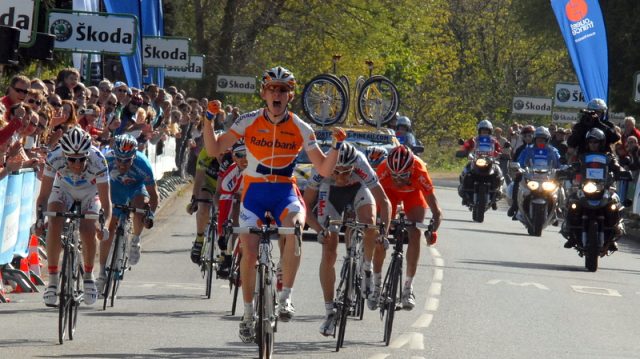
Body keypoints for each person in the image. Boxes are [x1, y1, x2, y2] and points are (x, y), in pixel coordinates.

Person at [202, 66, 345, 343]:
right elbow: (214, 149)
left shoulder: (301, 127)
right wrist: (208, 120)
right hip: (254, 191)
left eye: (283, 89)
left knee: (295, 227)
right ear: (264, 93)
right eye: (272, 89)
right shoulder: (248, 120)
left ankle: (285, 296)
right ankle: (246, 313)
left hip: (285, 191)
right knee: (249, 249)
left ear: (290, 95)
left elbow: (324, 170)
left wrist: (336, 148)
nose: (277, 94)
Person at [302, 142, 391, 336]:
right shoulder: (321, 167)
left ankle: (366, 268)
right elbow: (305, 204)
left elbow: (383, 201)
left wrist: (383, 232)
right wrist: (318, 230)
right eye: (337, 172)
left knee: (370, 223)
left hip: (358, 190)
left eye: (346, 172)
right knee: (329, 248)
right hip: (330, 194)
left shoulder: (361, 164)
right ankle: (329, 312)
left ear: (354, 166)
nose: (341, 177)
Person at [36, 127, 112, 306]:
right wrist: (39, 219)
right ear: (64, 155)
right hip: (64, 190)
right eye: (71, 160)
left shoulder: (98, 161)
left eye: (81, 160)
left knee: (88, 229)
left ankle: (88, 276)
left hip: (89, 193)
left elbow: (107, 203)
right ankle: (53, 281)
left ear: (88, 155)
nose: (77, 165)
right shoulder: (54, 157)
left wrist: (104, 225)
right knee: (54, 221)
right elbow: (43, 196)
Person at [375, 145, 442, 310]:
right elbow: (371, 199)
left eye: (403, 176)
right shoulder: (383, 170)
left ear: (411, 169)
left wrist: (432, 230)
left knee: (415, 233)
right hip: (387, 195)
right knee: (380, 231)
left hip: (413, 194)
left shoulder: (420, 172)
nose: (398, 180)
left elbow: (436, 212)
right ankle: (376, 284)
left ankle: (408, 288)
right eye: (394, 176)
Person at [97, 134, 157, 292]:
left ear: (134, 156)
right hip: (115, 188)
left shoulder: (143, 164)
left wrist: (150, 215)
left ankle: (135, 240)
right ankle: (102, 272)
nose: (122, 164)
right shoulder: (106, 160)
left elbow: (154, 194)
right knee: (108, 229)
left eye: (127, 160)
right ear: (114, 155)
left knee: (140, 207)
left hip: (135, 188)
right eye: (119, 160)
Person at [561, 128, 626, 251]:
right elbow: (574, 167)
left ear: (601, 143)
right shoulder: (582, 157)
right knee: (571, 200)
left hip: (604, 187)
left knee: (615, 202)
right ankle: (570, 231)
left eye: (596, 142)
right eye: (591, 142)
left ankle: (615, 230)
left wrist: (622, 172)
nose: (593, 144)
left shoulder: (608, 157)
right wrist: (567, 171)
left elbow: (617, 167)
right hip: (585, 187)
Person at [187, 140, 233, 265]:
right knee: (203, 207)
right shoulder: (206, 153)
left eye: (225, 154)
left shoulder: (232, 158)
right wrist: (195, 199)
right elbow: (199, 178)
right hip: (208, 184)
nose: (222, 157)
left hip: (225, 187)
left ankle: (225, 249)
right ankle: (199, 239)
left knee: (228, 214)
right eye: (219, 153)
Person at [507, 126, 561, 218]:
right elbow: (521, 160)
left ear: (547, 140)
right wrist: (519, 167)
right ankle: (515, 205)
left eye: (543, 139)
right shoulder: (528, 149)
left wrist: (562, 167)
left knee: (559, 183)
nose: (540, 141)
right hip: (531, 175)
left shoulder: (553, 150)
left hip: (547, 176)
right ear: (535, 139)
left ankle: (557, 208)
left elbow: (558, 161)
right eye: (538, 139)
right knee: (517, 180)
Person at [457, 119, 504, 206]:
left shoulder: (493, 141)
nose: (484, 132)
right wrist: (464, 151)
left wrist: (500, 154)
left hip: (490, 161)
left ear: (490, 131)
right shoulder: (474, 139)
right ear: (479, 131)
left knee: (499, 172)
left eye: (486, 130)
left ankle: (497, 191)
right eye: (483, 130)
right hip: (476, 160)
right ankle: (464, 191)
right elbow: (466, 145)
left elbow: (499, 149)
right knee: (465, 171)